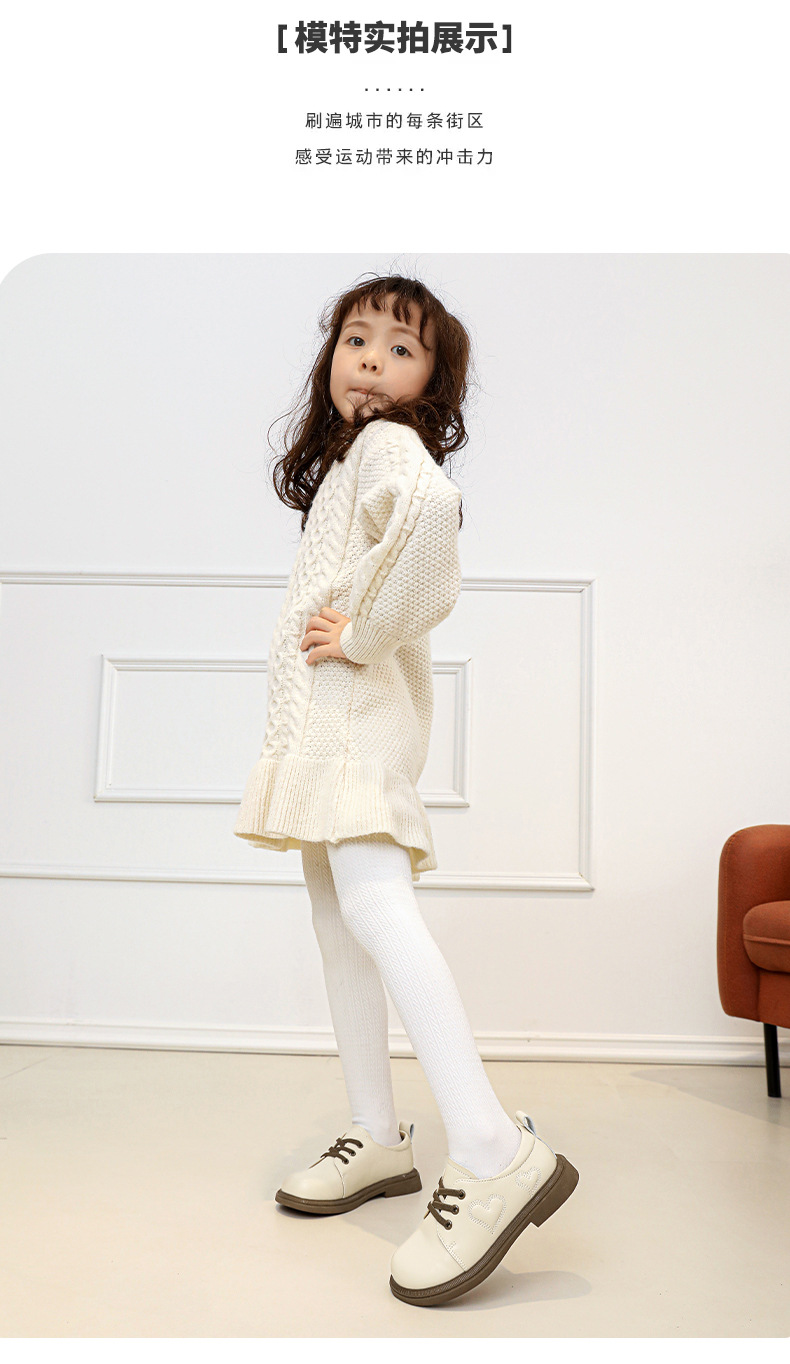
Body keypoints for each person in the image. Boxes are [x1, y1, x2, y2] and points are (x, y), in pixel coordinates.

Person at [233, 274, 578, 1306]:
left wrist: (364, 633)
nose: (373, 361)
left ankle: (491, 1147)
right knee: (339, 920)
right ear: (329, 356)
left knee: (376, 910)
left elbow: (433, 516)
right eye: (357, 340)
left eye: (401, 348)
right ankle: (378, 1133)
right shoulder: (350, 461)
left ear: (433, 382)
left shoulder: (391, 447)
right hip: (324, 735)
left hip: (352, 730)